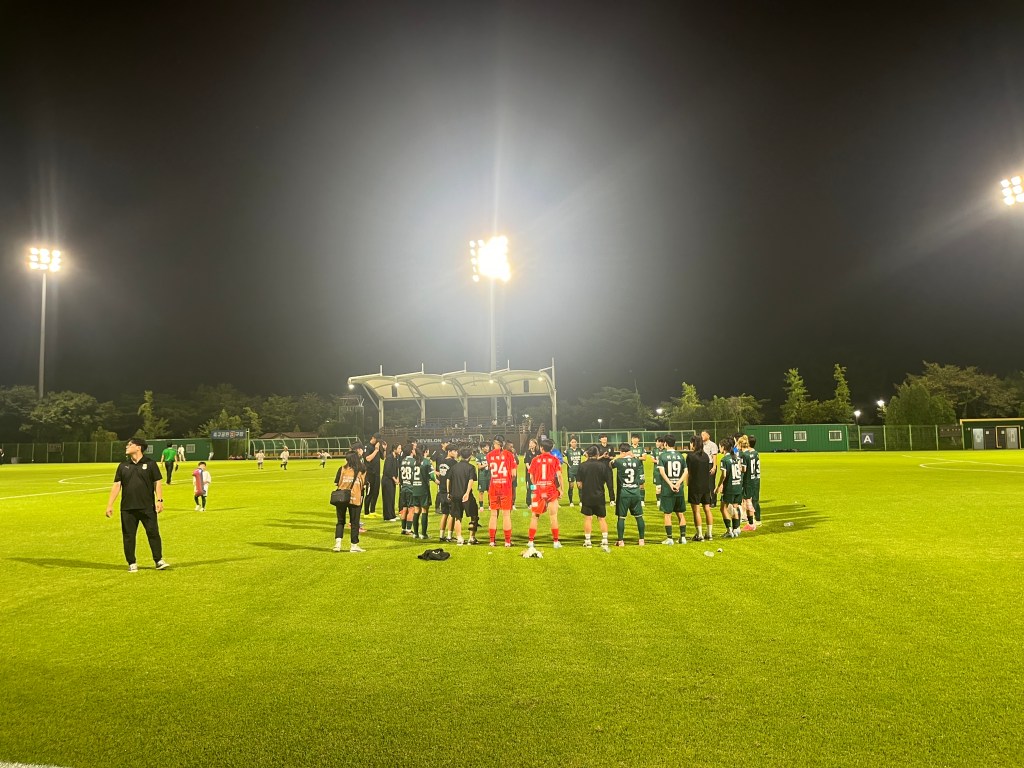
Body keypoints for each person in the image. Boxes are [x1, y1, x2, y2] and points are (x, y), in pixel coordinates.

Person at [104, 438, 169, 572]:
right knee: (128, 536)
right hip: (127, 508)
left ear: (138, 447)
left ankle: (158, 560)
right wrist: (110, 504)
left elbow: (157, 482)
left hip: (147, 507)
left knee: (153, 533)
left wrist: (160, 500)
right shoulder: (123, 465)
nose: (127, 447)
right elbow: (117, 485)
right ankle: (132, 563)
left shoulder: (150, 464)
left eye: (130, 445)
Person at [526, 438, 563, 549]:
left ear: (541, 448)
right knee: (553, 516)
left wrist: (536, 485)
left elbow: (531, 476)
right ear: (551, 448)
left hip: (538, 491)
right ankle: (556, 542)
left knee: (534, 516)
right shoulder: (555, 460)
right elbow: (559, 475)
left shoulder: (535, 460)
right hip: (551, 490)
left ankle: (531, 541)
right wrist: (561, 489)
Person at [576, 446, 610, 551]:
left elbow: (579, 485)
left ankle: (587, 541)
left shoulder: (582, 466)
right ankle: (604, 540)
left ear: (588, 454)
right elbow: (606, 480)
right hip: (599, 495)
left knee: (588, 518)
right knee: (601, 518)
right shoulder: (602, 466)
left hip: (587, 495)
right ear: (597, 454)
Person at [613, 443, 646, 546]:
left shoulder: (619, 461)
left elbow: (610, 464)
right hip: (636, 492)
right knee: (639, 516)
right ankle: (641, 540)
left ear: (621, 451)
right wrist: (634, 456)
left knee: (621, 517)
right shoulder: (636, 461)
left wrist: (619, 456)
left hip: (624, 493)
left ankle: (621, 541)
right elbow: (639, 461)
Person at [332, 451, 366, 552]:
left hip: (341, 498)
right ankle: (354, 546)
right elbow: (363, 484)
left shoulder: (342, 469)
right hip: (355, 498)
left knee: (340, 521)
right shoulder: (362, 470)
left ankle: (337, 544)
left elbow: (336, 483)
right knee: (354, 522)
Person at [486, 436, 517, 547]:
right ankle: (507, 541)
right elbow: (514, 474)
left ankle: (491, 541)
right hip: (505, 487)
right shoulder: (509, 455)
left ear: (494, 443)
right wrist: (508, 480)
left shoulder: (489, 455)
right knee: (506, 515)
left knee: (493, 515)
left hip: (494, 487)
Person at [658, 435, 688, 544]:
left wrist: (671, 484)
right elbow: (685, 471)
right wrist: (678, 483)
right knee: (680, 513)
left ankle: (670, 538)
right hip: (679, 489)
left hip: (667, 489)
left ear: (665, 443)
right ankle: (683, 537)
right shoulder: (680, 456)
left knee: (667, 514)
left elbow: (662, 472)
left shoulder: (663, 456)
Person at [685, 434, 713, 542]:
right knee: (707, 509)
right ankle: (709, 534)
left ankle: (699, 534)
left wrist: (687, 483)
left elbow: (688, 471)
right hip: (706, 485)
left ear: (693, 443)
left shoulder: (690, 456)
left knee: (696, 511)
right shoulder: (706, 456)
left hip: (695, 485)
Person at [448, 447, 480, 545]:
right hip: (466, 495)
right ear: (470, 456)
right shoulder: (471, 467)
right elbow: (471, 480)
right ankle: (471, 537)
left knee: (457, 517)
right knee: (474, 516)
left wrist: (449, 492)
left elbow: (448, 480)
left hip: (455, 494)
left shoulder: (454, 467)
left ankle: (459, 538)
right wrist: (466, 493)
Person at [716, 438, 743, 537]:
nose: (719, 449)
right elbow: (740, 469)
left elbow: (724, 475)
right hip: (738, 486)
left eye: (720, 446)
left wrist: (719, 486)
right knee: (734, 507)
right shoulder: (736, 457)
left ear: (723, 447)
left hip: (730, 487)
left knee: (723, 508)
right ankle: (736, 529)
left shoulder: (724, 459)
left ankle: (729, 530)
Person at [435, 445, 459, 542]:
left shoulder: (442, 461)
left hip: (442, 490)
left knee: (444, 514)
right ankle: (449, 536)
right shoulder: (453, 463)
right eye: (455, 451)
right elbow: (453, 477)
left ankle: (441, 535)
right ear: (449, 451)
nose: (456, 453)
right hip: (450, 491)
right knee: (452, 514)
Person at [741, 435, 762, 530]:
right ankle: (755, 519)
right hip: (756, 477)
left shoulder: (748, 454)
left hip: (751, 479)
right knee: (754, 499)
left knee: (751, 499)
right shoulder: (755, 453)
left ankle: (756, 519)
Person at [362, 433, 384, 517]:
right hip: (370, 474)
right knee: (369, 493)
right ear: (373, 438)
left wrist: (384, 449)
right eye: (377, 440)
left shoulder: (377, 448)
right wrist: (375, 450)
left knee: (376, 492)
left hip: (377, 474)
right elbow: (368, 458)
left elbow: (383, 458)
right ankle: (366, 512)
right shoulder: (368, 447)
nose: (378, 442)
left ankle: (373, 511)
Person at [381, 442, 401, 522]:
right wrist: (395, 479)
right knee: (387, 499)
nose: (400, 450)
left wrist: (397, 478)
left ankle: (392, 514)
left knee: (392, 498)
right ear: (394, 449)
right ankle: (387, 517)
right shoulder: (389, 458)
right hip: (387, 480)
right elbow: (388, 471)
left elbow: (396, 469)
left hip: (392, 480)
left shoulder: (395, 457)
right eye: (399, 448)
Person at [563, 437, 584, 506]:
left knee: (580, 486)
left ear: (577, 442)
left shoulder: (580, 450)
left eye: (575, 442)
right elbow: (560, 457)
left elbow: (587, 455)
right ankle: (571, 502)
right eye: (572, 442)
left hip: (579, 471)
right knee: (571, 486)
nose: (574, 443)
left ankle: (581, 501)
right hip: (571, 471)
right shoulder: (567, 451)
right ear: (570, 443)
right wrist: (566, 463)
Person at [701, 430, 719, 506]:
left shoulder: (712, 445)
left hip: (710, 465)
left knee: (711, 484)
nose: (702, 436)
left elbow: (714, 456)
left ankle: (713, 501)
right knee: (704, 484)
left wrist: (714, 467)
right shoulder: (701, 445)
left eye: (704, 435)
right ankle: (706, 500)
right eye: (702, 435)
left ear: (708, 436)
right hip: (703, 465)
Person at [596, 434, 616, 505]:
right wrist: (603, 456)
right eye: (602, 438)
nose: (604, 439)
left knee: (610, 485)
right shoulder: (597, 447)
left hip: (608, 468)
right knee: (600, 486)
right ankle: (601, 500)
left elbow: (614, 457)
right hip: (600, 469)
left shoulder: (610, 447)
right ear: (600, 440)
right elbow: (596, 458)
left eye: (605, 437)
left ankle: (612, 500)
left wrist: (608, 457)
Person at [522, 437, 539, 509]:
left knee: (535, 489)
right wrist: (531, 471)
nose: (531, 444)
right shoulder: (527, 453)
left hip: (537, 474)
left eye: (532, 443)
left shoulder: (538, 453)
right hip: (530, 474)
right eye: (530, 443)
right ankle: (529, 503)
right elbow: (526, 463)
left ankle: (535, 502)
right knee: (530, 488)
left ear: (535, 444)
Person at [474, 441, 491, 507]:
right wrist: (487, 464)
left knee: (490, 492)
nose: (487, 448)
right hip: (482, 476)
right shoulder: (479, 456)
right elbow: (479, 467)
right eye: (486, 447)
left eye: (488, 446)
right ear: (482, 448)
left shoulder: (490, 455)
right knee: (481, 492)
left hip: (489, 476)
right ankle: (481, 506)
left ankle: (490, 505)